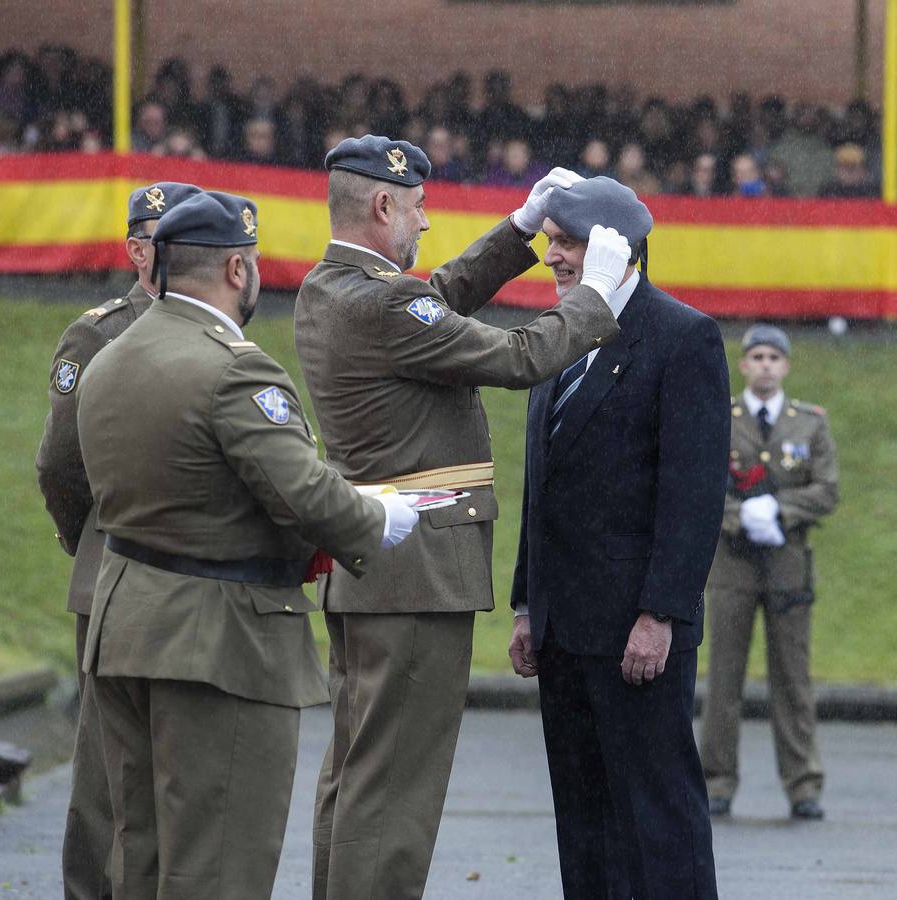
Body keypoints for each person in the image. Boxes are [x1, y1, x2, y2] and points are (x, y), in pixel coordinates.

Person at [293, 135, 623, 900]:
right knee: (394, 793)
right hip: (416, 578)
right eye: (416, 208)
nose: (426, 223)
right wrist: (593, 299)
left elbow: (434, 295)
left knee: (353, 778)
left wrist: (519, 230)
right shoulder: (383, 302)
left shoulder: (329, 288)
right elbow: (517, 358)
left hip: (370, 572)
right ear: (382, 205)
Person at [75, 191, 421, 899]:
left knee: (139, 856)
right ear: (238, 268)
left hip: (125, 625)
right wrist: (375, 517)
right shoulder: (235, 367)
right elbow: (300, 492)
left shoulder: (111, 357)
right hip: (220, 643)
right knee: (219, 865)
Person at [508, 177, 730, 899]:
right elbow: (543, 479)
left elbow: (692, 493)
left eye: (566, 243)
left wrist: (661, 613)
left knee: (658, 817)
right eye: (551, 242)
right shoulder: (564, 329)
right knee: (584, 818)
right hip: (564, 627)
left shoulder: (682, 336)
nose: (553, 258)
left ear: (616, 249)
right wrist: (523, 605)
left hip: (636, 627)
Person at [35, 180, 202, 900]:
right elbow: (59, 463)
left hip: (193, 581)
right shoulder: (99, 333)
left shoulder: (212, 326)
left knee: (175, 763)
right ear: (138, 250)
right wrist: (89, 546)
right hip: (112, 572)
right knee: (107, 767)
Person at [698, 324, 838, 820]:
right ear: (742, 365)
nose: (764, 365)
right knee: (723, 680)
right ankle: (716, 780)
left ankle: (803, 785)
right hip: (731, 563)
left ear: (786, 366)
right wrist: (739, 518)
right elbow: (702, 483)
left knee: (793, 680)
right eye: (755, 356)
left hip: (787, 565)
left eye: (773, 358)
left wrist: (778, 510)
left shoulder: (809, 423)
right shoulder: (721, 416)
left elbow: (826, 490)